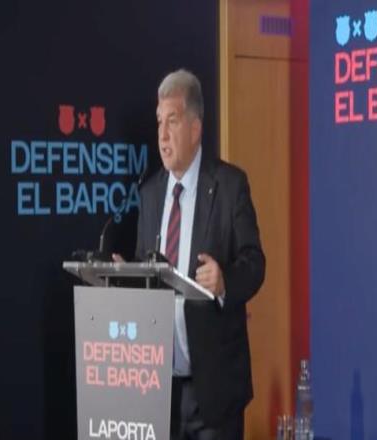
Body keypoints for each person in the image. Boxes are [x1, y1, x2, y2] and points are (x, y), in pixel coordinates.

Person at [124, 69, 265, 440]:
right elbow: (145, 266)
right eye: (159, 122)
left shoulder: (230, 185)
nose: (162, 135)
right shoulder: (150, 193)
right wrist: (125, 275)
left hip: (214, 391)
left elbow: (255, 262)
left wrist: (224, 281)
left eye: (172, 121)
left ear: (195, 128)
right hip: (159, 388)